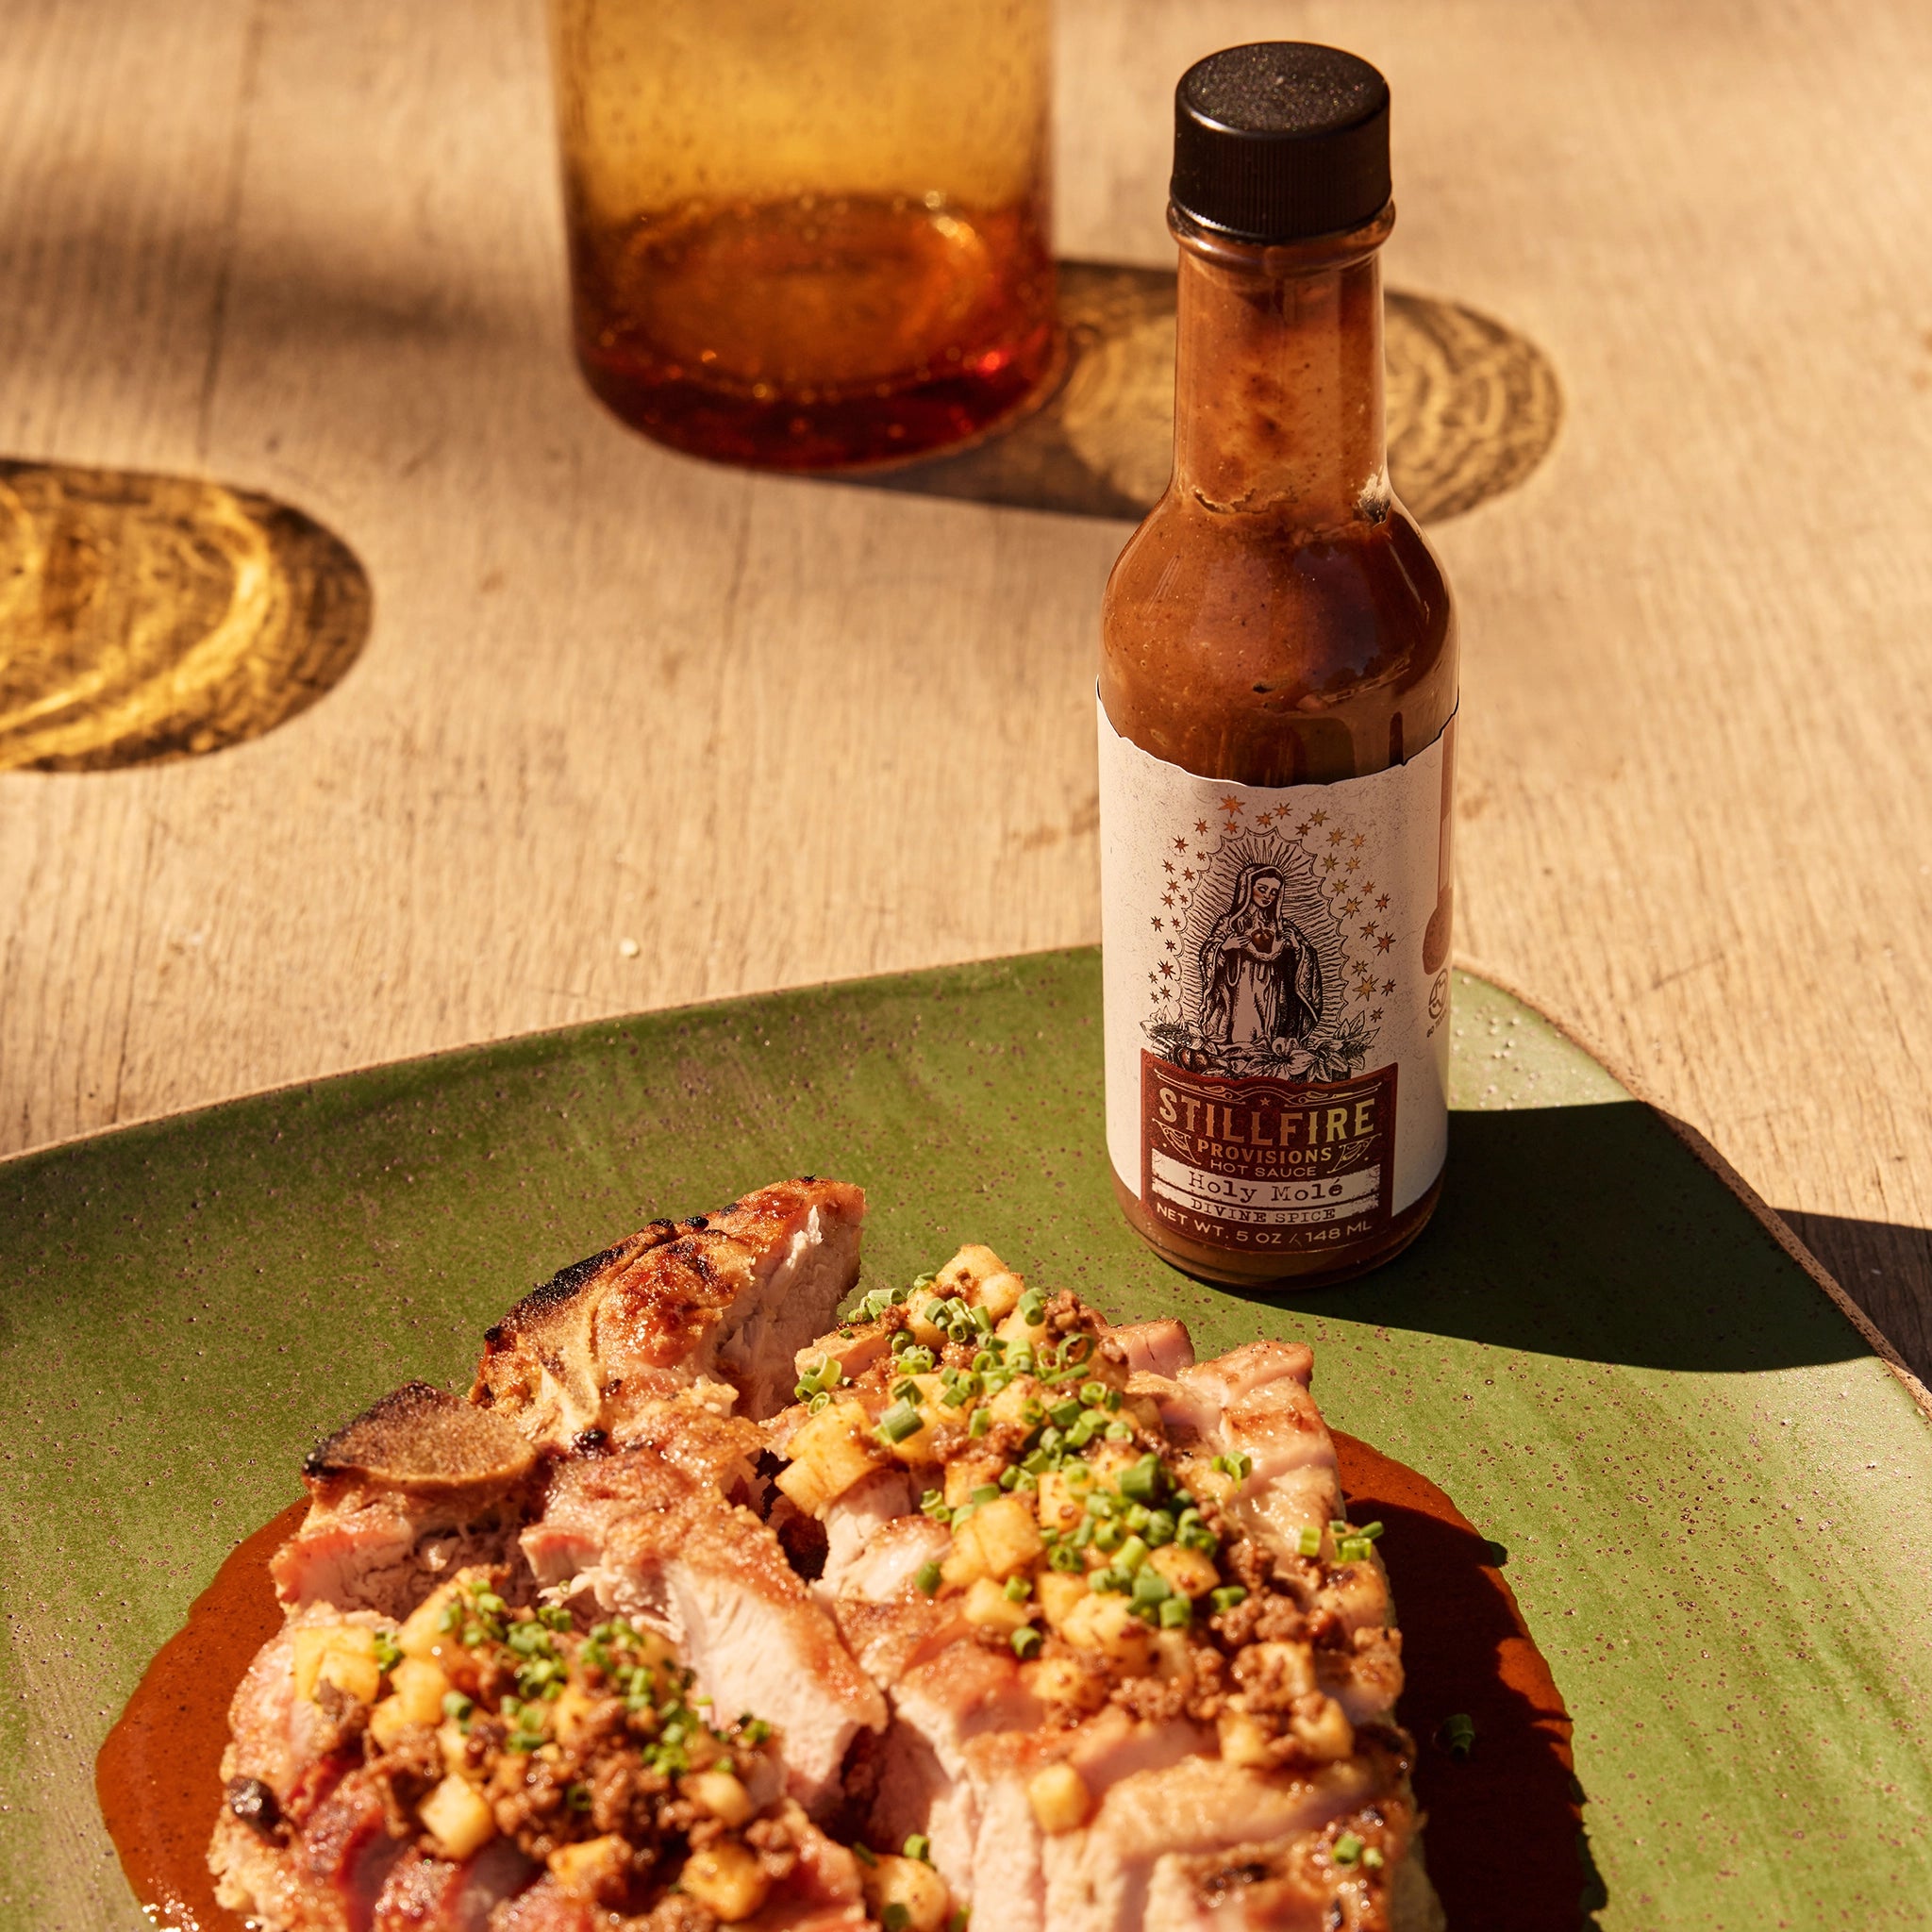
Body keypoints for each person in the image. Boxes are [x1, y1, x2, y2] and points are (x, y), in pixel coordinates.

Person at [1197, 864, 1323, 1050]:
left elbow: (1307, 955)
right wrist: (1224, 947)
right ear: (1248, 888)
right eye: (1262, 889)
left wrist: (1297, 949)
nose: (1267, 896)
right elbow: (1208, 952)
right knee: (1244, 1031)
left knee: (1270, 1026)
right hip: (1242, 985)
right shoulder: (1230, 923)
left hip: (1274, 987)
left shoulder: (1282, 926)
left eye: (1274, 892)